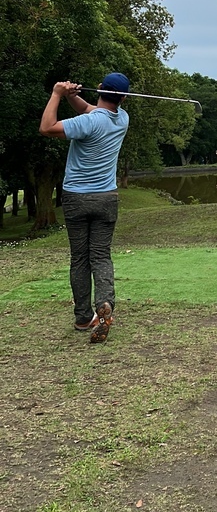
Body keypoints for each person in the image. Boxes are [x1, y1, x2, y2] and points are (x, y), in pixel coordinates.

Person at [39, 73, 130, 343]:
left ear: (100, 88)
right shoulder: (121, 119)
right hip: (106, 199)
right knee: (100, 256)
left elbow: (46, 128)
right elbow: (92, 110)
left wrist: (57, 94)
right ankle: (105, 304)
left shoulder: (88, 123)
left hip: (77, 198)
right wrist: (72, 96)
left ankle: (82, 317)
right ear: (123, 98)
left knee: (80, 258)